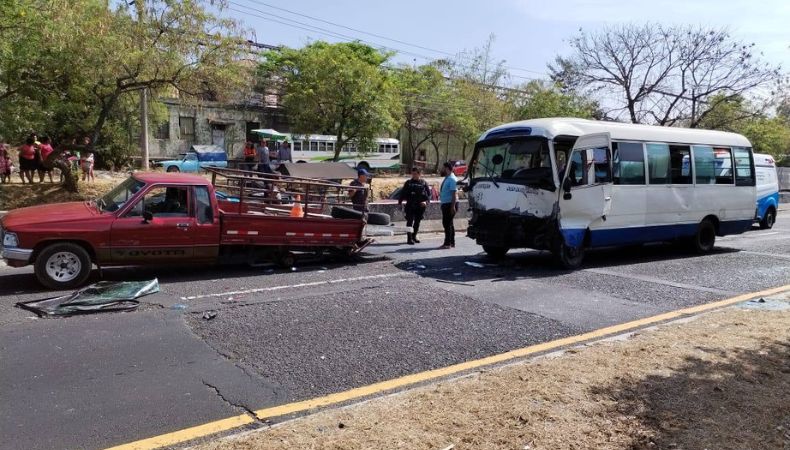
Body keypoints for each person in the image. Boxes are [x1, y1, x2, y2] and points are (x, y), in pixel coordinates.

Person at [398, 166, 431, 245]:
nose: (413, 175)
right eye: (412, 174)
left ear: (419, 174)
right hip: (410, 205)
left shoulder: (423, 183)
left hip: (420, 206)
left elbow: (429, 195)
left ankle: (414, 236)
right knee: (410, 221)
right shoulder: (408, 183)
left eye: (415, 174)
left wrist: (426, 202)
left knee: (417, 222)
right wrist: (400, 202)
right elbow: (402, 193)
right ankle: (409, 239)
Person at [439, 161, 458, 249]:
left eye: (443, 168)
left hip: (450, 204)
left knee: (446, 223)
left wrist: (452, 206)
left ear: (447, 168)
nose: (441, 169)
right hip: (446, 204)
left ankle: (447, 243)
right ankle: (451, 242)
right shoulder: (447, 177)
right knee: (449, 223)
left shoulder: (452, 179)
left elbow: (454, 193)